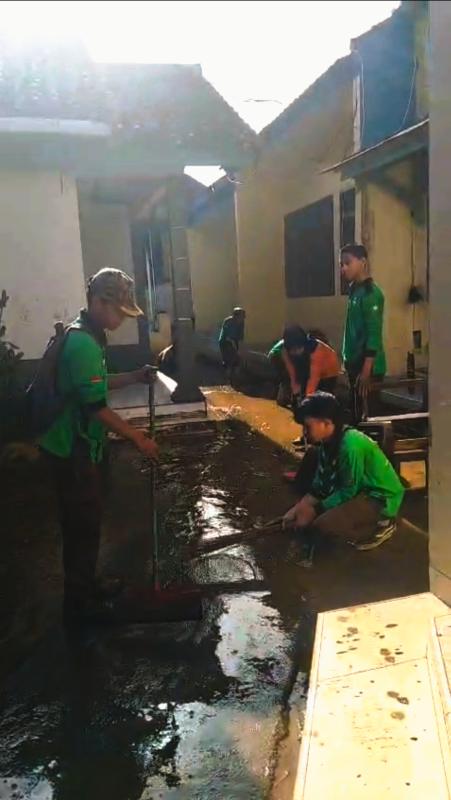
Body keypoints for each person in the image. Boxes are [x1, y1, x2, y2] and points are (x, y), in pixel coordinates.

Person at [39, 268, 159, 625]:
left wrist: (134, 377)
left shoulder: (88, 336)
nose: (122, 319)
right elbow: (96, 407)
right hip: (70, 450)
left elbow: (96, 383)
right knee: (81, 527)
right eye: (119, 311)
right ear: (99, 302)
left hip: (79, 446)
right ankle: (79, 605)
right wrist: (138, 438)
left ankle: (87, 585)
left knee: (87, 522)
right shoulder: (82, 344)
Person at [283, 392, 404, 553]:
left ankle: (383, 523)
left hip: (378, 496)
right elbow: (320, 485)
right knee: (306, 518)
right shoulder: (326, 443)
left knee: (322, 527)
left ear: (326, 423)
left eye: (307, 426)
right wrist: (300, 507)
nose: (304, 432)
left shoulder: (350, 445)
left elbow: (348, 491)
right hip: (358, 488)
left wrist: (315, 510)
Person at [341, 243, 386, 423]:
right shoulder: (354, 290)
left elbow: (373, 333)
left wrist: (366, 371)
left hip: (367, 366)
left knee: (369, 418)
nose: (343, 268)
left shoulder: (371, 294)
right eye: (341, 264)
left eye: (348, 263)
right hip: (354, 363)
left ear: (363, 262)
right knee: (356, 413)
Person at [218, 307, 246, 382]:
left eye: (243, 317)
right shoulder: (228, 321)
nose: (243, 319)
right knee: (230, 360)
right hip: (225, 342)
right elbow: (228, 337)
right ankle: (228, 378)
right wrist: (237, 349)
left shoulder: (241, 322)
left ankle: (235, 377)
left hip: (234, 340)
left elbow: (240, 336)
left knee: (238, 360)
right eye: (241, 317)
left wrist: (241, 348)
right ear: (236, 316)